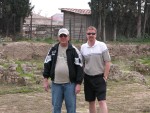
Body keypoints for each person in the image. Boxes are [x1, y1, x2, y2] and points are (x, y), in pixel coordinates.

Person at [43, 28, 83, 113]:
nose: (63, 37)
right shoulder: (53, 49)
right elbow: (47, 64)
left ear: (68, 37)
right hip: (56, 84)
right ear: (58, 37)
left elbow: (79, 67)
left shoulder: (74, 50)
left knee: (71, 109)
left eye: (65, 35)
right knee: (56, 108)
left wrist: (78, 83)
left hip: (70, 85)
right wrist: (45, 80)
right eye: (61, 36)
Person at [80, 26, 111, 113]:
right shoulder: (83, 47)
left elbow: (107, 62)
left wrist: (105, 76)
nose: (91, 35)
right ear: (86, 35)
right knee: (91, 101)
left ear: (96, 35)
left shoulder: (102, 45)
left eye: (93, 33)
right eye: (89, 33)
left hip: (99, 78)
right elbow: (81, 64)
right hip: (88, 78)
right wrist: (82, 77)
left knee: (102, 101)